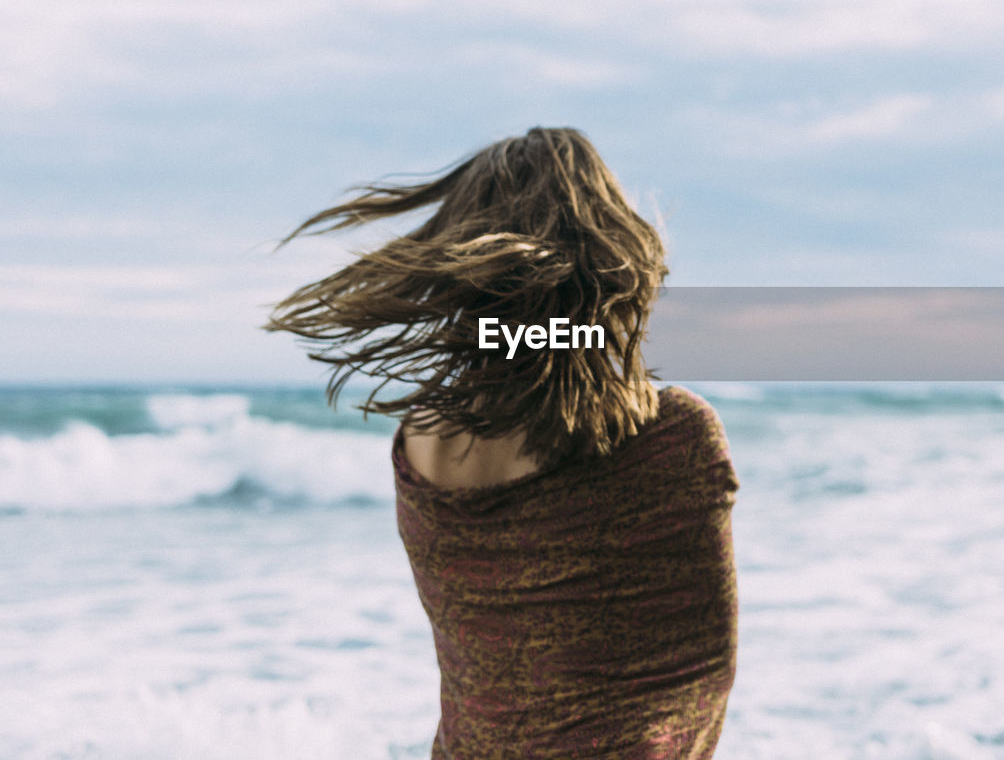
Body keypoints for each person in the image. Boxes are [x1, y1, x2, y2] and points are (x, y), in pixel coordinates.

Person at [265, 127, 739, 758]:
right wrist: (598, 334)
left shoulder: (421, 438)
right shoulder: (671, 435)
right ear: (604, 257)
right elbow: (698, 668)